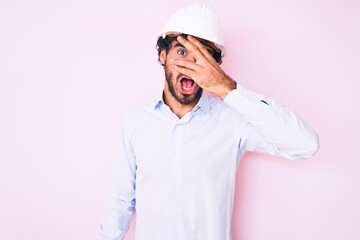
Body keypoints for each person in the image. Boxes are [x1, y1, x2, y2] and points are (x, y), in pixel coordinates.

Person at [98, 3, 319, 240]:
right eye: (182, 52)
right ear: (163, 55)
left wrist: (226, 87)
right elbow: (120, 201)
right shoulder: (136, 121)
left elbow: (305, 145)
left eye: (203, 58)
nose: (192, 66)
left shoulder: (232, 120)